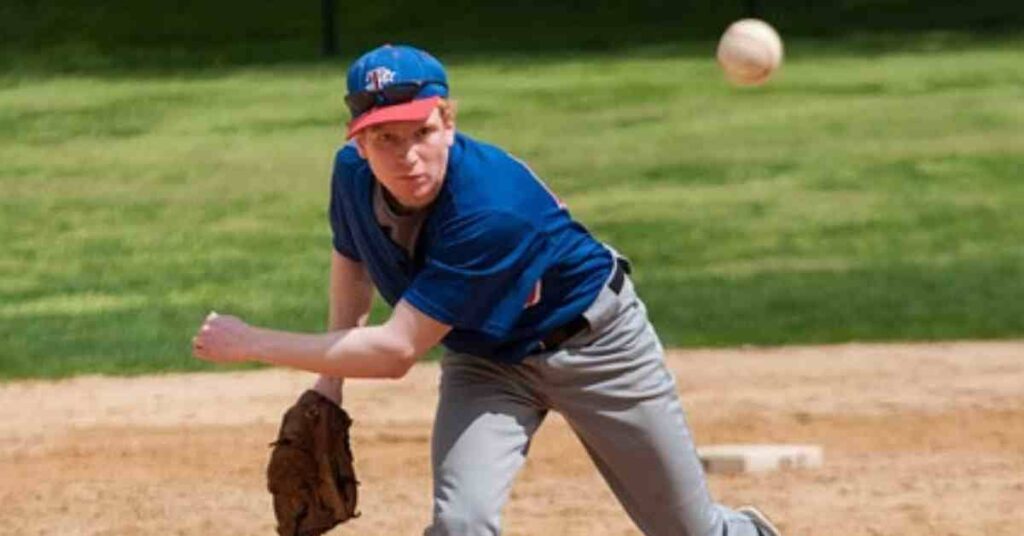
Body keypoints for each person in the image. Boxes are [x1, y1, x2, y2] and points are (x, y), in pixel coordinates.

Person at [192, 44, 781, 536]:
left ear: (448, 121)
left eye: (421, 132)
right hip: (488, 363)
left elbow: (398, 351)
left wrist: (251, 342)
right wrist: (329, 390)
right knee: (460, 525)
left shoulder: (491, 209)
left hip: (597, 348)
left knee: (689, 532)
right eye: (384, 140)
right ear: (357, 142)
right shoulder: (352, 175)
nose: (407, 157)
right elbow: (353, 261)